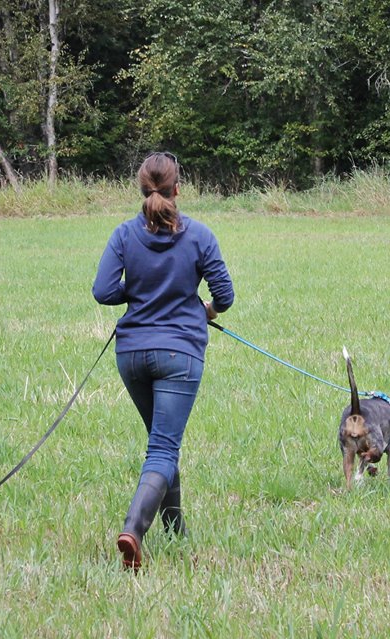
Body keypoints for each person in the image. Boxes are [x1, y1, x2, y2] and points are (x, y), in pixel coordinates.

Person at [92, 151, 234, 570]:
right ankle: (133, 531)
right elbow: (224, 297)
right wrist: (202, 309)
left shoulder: (124, 234)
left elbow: (103, 291)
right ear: (178, 190)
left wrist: (138, 292)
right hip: (180, 353)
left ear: (142, 190)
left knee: (161, 442)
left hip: (132, 354)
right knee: (163, 447)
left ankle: (175, 527)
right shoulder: (200, 235)